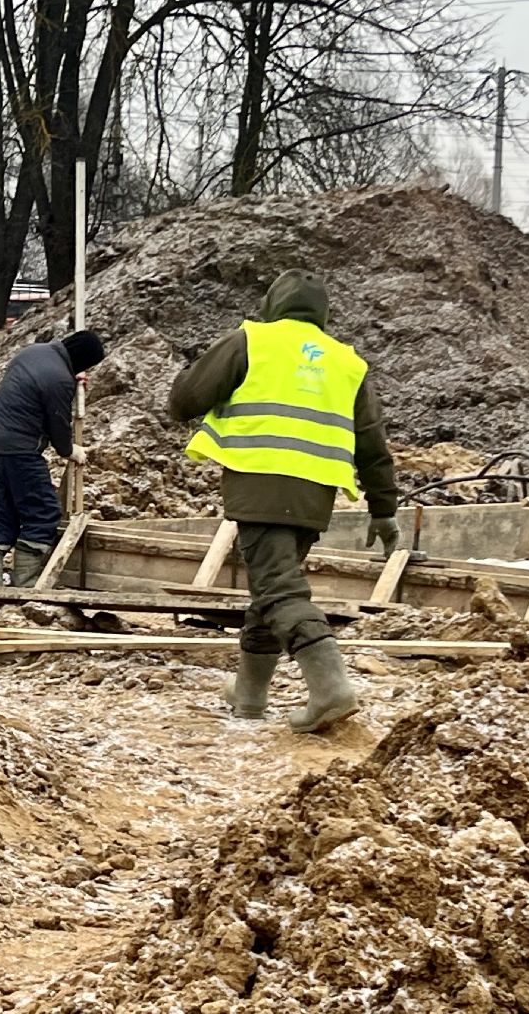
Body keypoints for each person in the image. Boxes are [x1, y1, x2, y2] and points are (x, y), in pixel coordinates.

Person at [169, 268, 399, 734]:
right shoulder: (345, 361)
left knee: (278, 590)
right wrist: (384, 510)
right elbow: (373, 444)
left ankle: (330, 686)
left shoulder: (252, 340)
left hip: (259, 486)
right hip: (314, 495)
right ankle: (250, 693)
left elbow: (185, 400)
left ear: (273, 304)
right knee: (270, 588)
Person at [0, 330, 106, 589]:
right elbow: (58, 426)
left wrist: (69, 376)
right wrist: (71, 450)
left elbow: (39, 382)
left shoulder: (34, 352)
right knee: (42, 512)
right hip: (20, 451)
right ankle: (25, 583)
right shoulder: (59, 380)